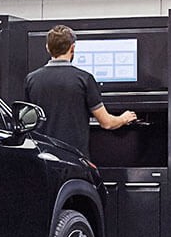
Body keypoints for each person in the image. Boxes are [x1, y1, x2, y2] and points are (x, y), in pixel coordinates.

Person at [24, 25, 137, 156]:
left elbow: (28, 123)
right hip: (74, 159)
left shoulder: (31, 79)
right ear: (72, 48)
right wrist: (124, 118)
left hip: (44, 157)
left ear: (48, 48)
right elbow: (107, 123)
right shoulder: (84, 79)